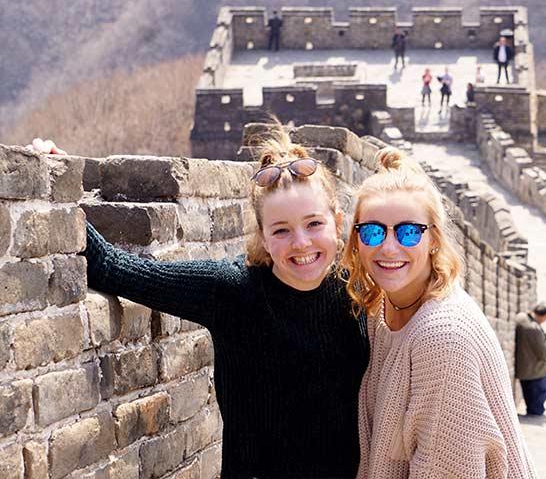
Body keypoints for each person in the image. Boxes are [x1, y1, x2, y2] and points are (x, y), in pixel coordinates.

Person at [41, 122, 369, 478]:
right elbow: (113, 268)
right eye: (282, 230)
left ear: (338, 224)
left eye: (314, 224)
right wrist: (54, 181)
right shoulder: (233, 292)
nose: (301, 243)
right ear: (262, 236)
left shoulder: (360, 294)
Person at [341, 148, 538, 478]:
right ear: (356, 241)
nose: (388, 247)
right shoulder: (380, 312)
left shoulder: (442, 338)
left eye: (408, 232)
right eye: (373, 231)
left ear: (433, 239)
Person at [514, 302, 546, 417]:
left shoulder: (521, 318)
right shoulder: (535, 329)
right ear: (545, 316)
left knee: (530, 402)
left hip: (523, 371)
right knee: (536, 407)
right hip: (536, 373)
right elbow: (543, 352)